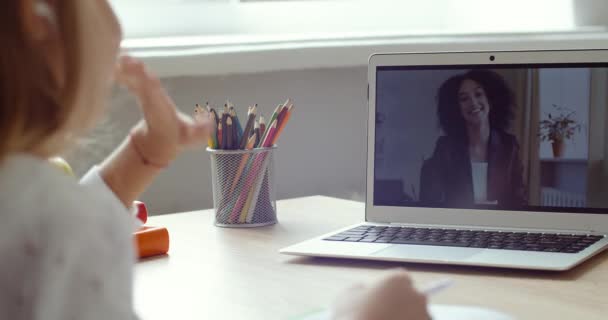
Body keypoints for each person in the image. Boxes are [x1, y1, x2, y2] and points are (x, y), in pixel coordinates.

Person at [0, 1, 429, 319]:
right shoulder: (60, 227)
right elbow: (54, 236)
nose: (114, 24)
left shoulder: (32, 208)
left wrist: (142, 157)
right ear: (35, 19)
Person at [420, 70, 527, 208]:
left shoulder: (509, 145)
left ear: (490, 99)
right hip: (459, 223)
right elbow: (433, 202)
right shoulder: (445, 147)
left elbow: (520, 201)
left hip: (499, 223)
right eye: (464, 99)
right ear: (456, 108)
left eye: (478, 94)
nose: (473, 102)